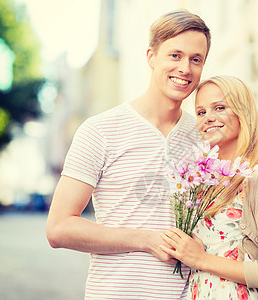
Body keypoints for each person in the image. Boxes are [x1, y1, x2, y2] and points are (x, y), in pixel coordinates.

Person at [46, 9, 211, 299]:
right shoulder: (100, 130)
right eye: (175, 55)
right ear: (151, 56)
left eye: (196, 59)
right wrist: (146, 240)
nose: (185, 68)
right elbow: (59, 229)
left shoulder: (204, 137)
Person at [161, 75, 258, 299]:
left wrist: (201, 259)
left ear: (243, 113)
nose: (208, 118)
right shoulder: (199, 182)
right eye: (201, 112)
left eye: (219, 107)